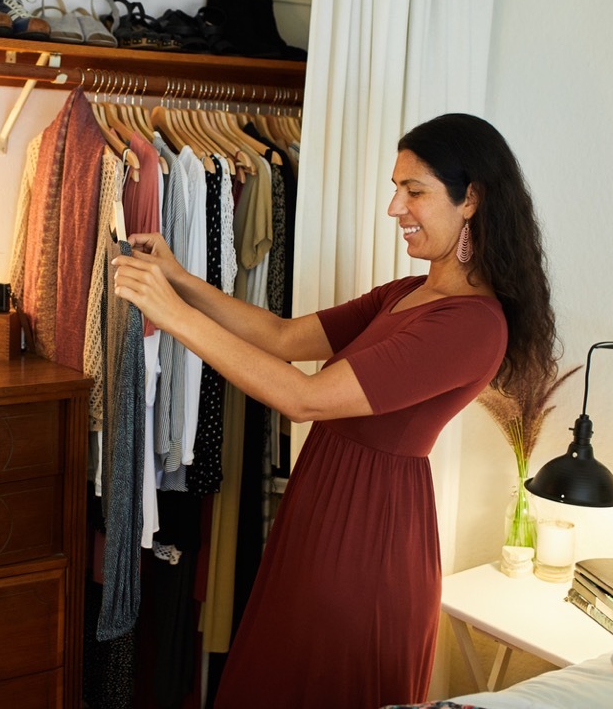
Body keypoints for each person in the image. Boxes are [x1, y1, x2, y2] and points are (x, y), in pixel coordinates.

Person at [111, 113, 558, 707]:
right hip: (324, 507)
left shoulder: (473, 325)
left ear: (470, 198)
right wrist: (179, 279)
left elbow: (304, 398)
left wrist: (173, 315)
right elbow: (283, 336)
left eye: (414, 191)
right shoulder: (408, 293)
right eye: (396, 188)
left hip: (370, 537)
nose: (395, 208)